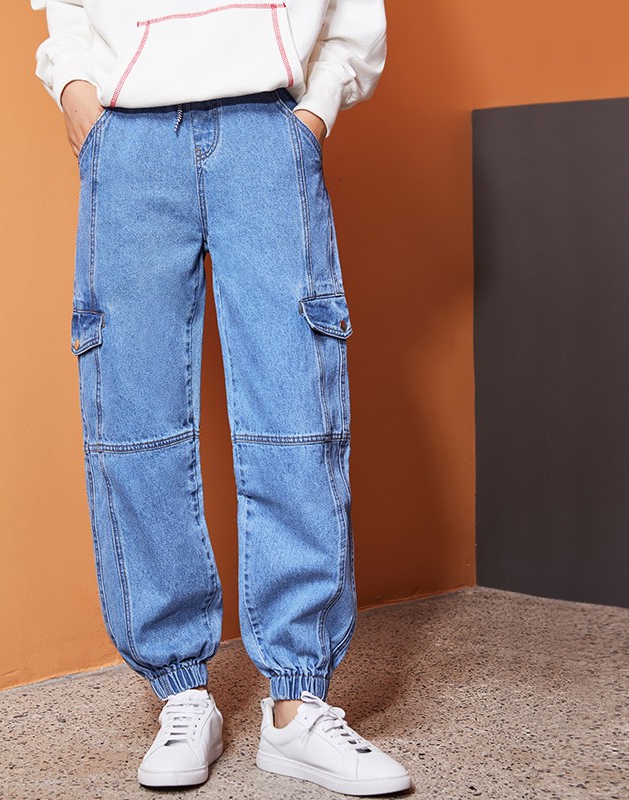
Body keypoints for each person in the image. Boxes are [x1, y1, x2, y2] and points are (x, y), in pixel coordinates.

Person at [31, 1, 412, 795]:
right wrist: (77, 95)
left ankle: (298, 707)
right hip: (128, 138)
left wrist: (314, 110)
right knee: (132, 418)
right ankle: (180, 694)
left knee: (297, 410)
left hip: (267, 127)